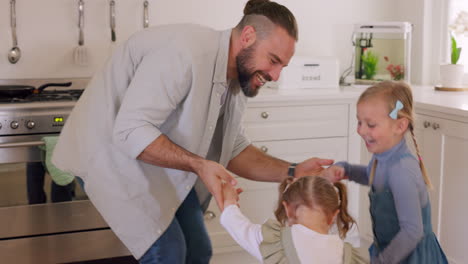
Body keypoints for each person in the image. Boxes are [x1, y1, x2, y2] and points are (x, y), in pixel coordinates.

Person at [52, 0, 334, 263]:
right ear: (247, 37)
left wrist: (295, 171)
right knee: (169, 252)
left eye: (282, 66)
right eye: (273, 60)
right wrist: (199, 165)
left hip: (156, 161)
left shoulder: (236, 79)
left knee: (199, 249)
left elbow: (234, 149)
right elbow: (131, 130)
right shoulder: (185, 53)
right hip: (111, 156)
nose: (275, 76)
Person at [320, 81, 448, 263]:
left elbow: (412, 231)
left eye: (371, 125)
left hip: (410, 256)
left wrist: (381, 261)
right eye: (359, 122)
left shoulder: (402, 171)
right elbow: (373, 178)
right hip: (390, 248)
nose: (361, 130)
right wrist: (346, 170)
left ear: (400, 126)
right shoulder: (384, 156)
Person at [220, 176, 368, 263]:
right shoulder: (350, 256)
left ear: (287, 209)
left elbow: (237, 225)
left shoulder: (275, 242)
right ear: (334, 215)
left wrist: (229, 201)